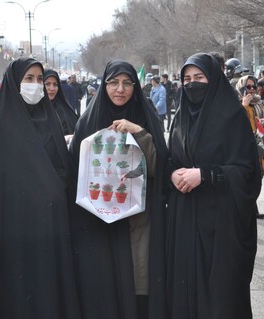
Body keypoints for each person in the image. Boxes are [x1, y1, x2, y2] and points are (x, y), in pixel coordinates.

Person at [0, 58, 81, 319]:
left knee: (49, 285)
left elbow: (64, 166)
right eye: (29, 79)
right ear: (14, 83)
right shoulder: (1, 123)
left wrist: (55, 190)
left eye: (39, 79)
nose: (36, 85)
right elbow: (3, 180)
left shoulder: (52, 118)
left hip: (52, 222)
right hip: (16, 225)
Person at [69, 59, 168, 319]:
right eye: (113, 83)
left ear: (136, 87)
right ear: (104, 86)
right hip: (98, 221)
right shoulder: (88, 122)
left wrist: (139, 133)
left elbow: (161, 167)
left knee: (136, 286)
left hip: (138, 221)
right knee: (104, 286)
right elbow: (74, 172)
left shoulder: (147, 118)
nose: (120, 89)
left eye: (127, 83)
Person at [166, 53, 261, 319]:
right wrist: (173, 174)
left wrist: (205, 175)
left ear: (214, 79)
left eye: (199, 78)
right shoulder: (180, 117)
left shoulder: (232, 117)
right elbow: (170, 159)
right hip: (185, 218)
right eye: (187, 79)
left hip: (222, 225)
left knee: (221, 297)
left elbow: (248, 172)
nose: (192, 84)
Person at [236, 75, 264, 219]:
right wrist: (244, 105)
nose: (251, 90)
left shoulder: (258, 102)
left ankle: (252, 205)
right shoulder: (236, 103)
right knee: (246, 177)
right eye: (248, 86)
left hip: (258, 143)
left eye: (253, 86)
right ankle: (249, 207)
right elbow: (236, 120)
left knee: (258, 177)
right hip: (243, 146)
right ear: (241, 87)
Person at [43, 69, 78, 143]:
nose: (52, 88)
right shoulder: (34, 111)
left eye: (55, 84)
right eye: (47, 84)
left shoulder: (64, 109)